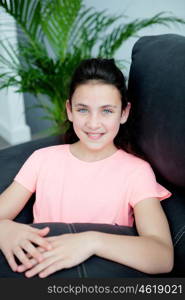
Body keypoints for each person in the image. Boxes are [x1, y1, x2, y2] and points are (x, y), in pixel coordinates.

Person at [0, 58, 174, 278]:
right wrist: (3, 229)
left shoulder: (136, 172)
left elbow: (162, 256)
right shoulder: (42, 159)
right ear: (69, 110)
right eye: (83, 110)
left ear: (124, 113)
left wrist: (92, 241)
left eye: (107, 111)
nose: (93, 123)